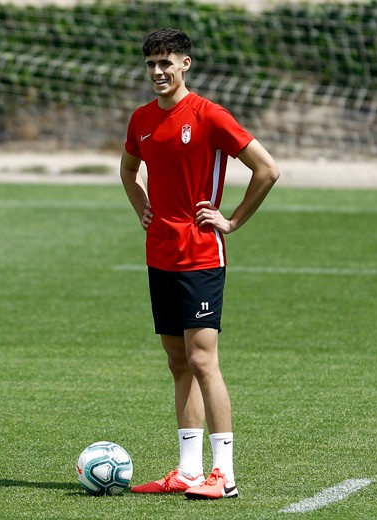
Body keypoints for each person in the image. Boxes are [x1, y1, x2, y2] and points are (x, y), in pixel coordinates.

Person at [120, 28, 279, 500]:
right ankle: (188, 471)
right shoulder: (142, 119)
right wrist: (140, 205)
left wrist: (231, 221)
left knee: (203, 360)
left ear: (185, 64)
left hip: (201, 255)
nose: (157, 72)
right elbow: (128, 171)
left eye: (166, 63)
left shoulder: (209, 115)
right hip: (160, 255)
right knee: (177, 362)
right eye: (151, 64)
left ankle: (224, 475)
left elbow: (267, 169)